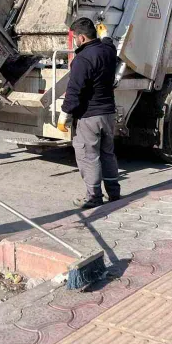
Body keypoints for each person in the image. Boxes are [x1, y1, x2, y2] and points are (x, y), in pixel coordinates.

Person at [57, 18, 121, 209]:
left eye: (75, 37)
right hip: (108, 114)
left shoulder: (82, 60)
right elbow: (110, 44)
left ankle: (93, 196)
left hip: (89, 116)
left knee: (88, 156)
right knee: (107, 153)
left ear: (82, 38)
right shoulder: (108, 51)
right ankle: (114, 192)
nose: (75, 40)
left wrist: (65, 114)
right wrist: (106, 35)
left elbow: (74, 90)